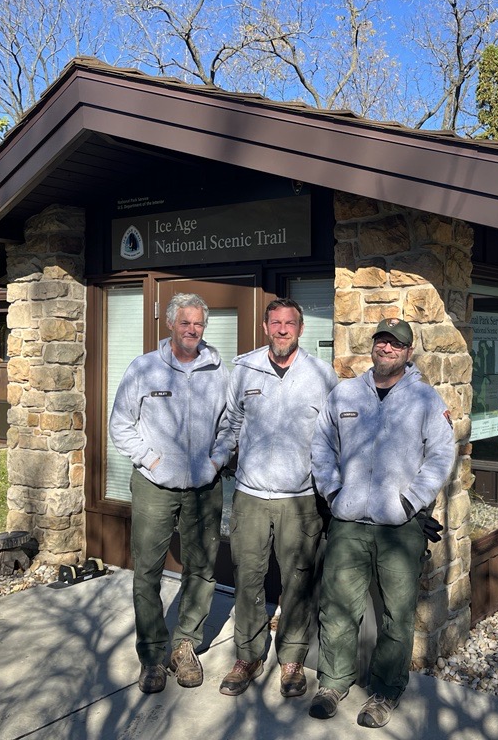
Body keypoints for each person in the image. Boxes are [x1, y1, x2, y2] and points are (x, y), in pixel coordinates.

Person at [309, 317, 456, 728]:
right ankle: (334, 681)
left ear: (409, 352)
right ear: (373, 347)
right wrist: (334, 493)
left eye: (396, 344)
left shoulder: (426, 400)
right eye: (381, 341)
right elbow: (321, 444)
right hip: (349, 522)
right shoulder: (346, 394)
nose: (387, 348)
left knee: (397, 615)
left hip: (400, 527)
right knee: (338, 606)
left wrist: (410, 501)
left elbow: (442, 455)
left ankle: (384, 691)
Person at [109, 293, 234, 694]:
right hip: (154, 487)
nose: (192, 330)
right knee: (147, 570)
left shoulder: (219, 371)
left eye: (198, 324)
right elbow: (121, 424)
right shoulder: (144, 369)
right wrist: (152, 460)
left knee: (202, 568)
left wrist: (216, 462)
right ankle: (151, 655)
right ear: (170, 324)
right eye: (185, 323)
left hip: (204, 488)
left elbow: (232, 423)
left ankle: (184, 645)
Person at [218, 298, 338, 698]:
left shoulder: (321, 375)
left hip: (300, 499)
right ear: (266, 327)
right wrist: (219, 461)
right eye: (276, 323)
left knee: (298, 582)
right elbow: (231, 421)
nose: (283, 329)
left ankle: (292, 659)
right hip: (250, 495)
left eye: (290, 323)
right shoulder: (246, 368)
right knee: (247, 577)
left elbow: (335, 433)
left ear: (301, 329)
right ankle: (248, 656)